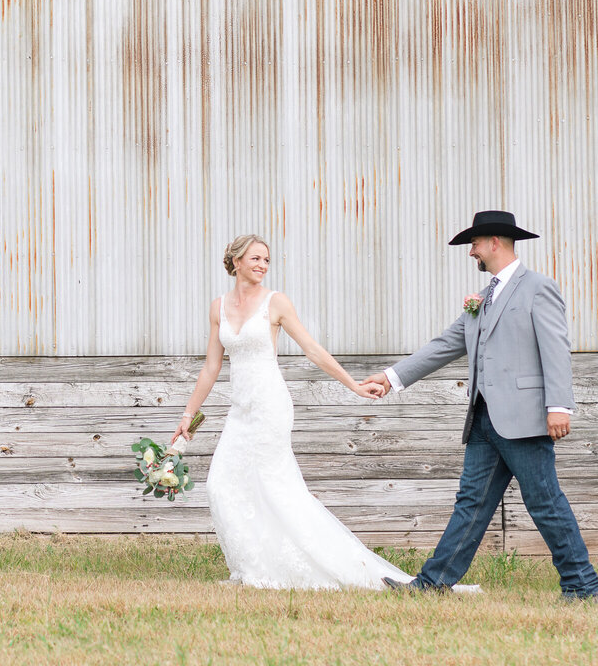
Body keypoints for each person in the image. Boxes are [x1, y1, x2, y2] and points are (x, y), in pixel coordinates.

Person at [173, 234, 461, 589]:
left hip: (269, 405)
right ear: (235, 261)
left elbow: (312, 349)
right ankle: (253, 567)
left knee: (275, 487)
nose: (262, 265)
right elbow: (210, 368)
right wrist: (188, 416)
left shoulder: (276, 303)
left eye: (266, 260)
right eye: (255, 259)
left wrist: (353, 385)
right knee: (221, 484)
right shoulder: (218, 307)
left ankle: (305, 567)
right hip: (240, 409)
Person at [366, 210, 598, 602]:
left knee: (545, 503)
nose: (470, 251)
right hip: (483, 419)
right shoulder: (482, 298)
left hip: (525, 419)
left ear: (495, 243)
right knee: (471, 503)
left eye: (474, 243)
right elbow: (445, 345)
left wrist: (559, 405)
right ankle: (433, 584)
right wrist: (391, 378)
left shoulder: (538, 288)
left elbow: (556, 349)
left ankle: (582, 587)